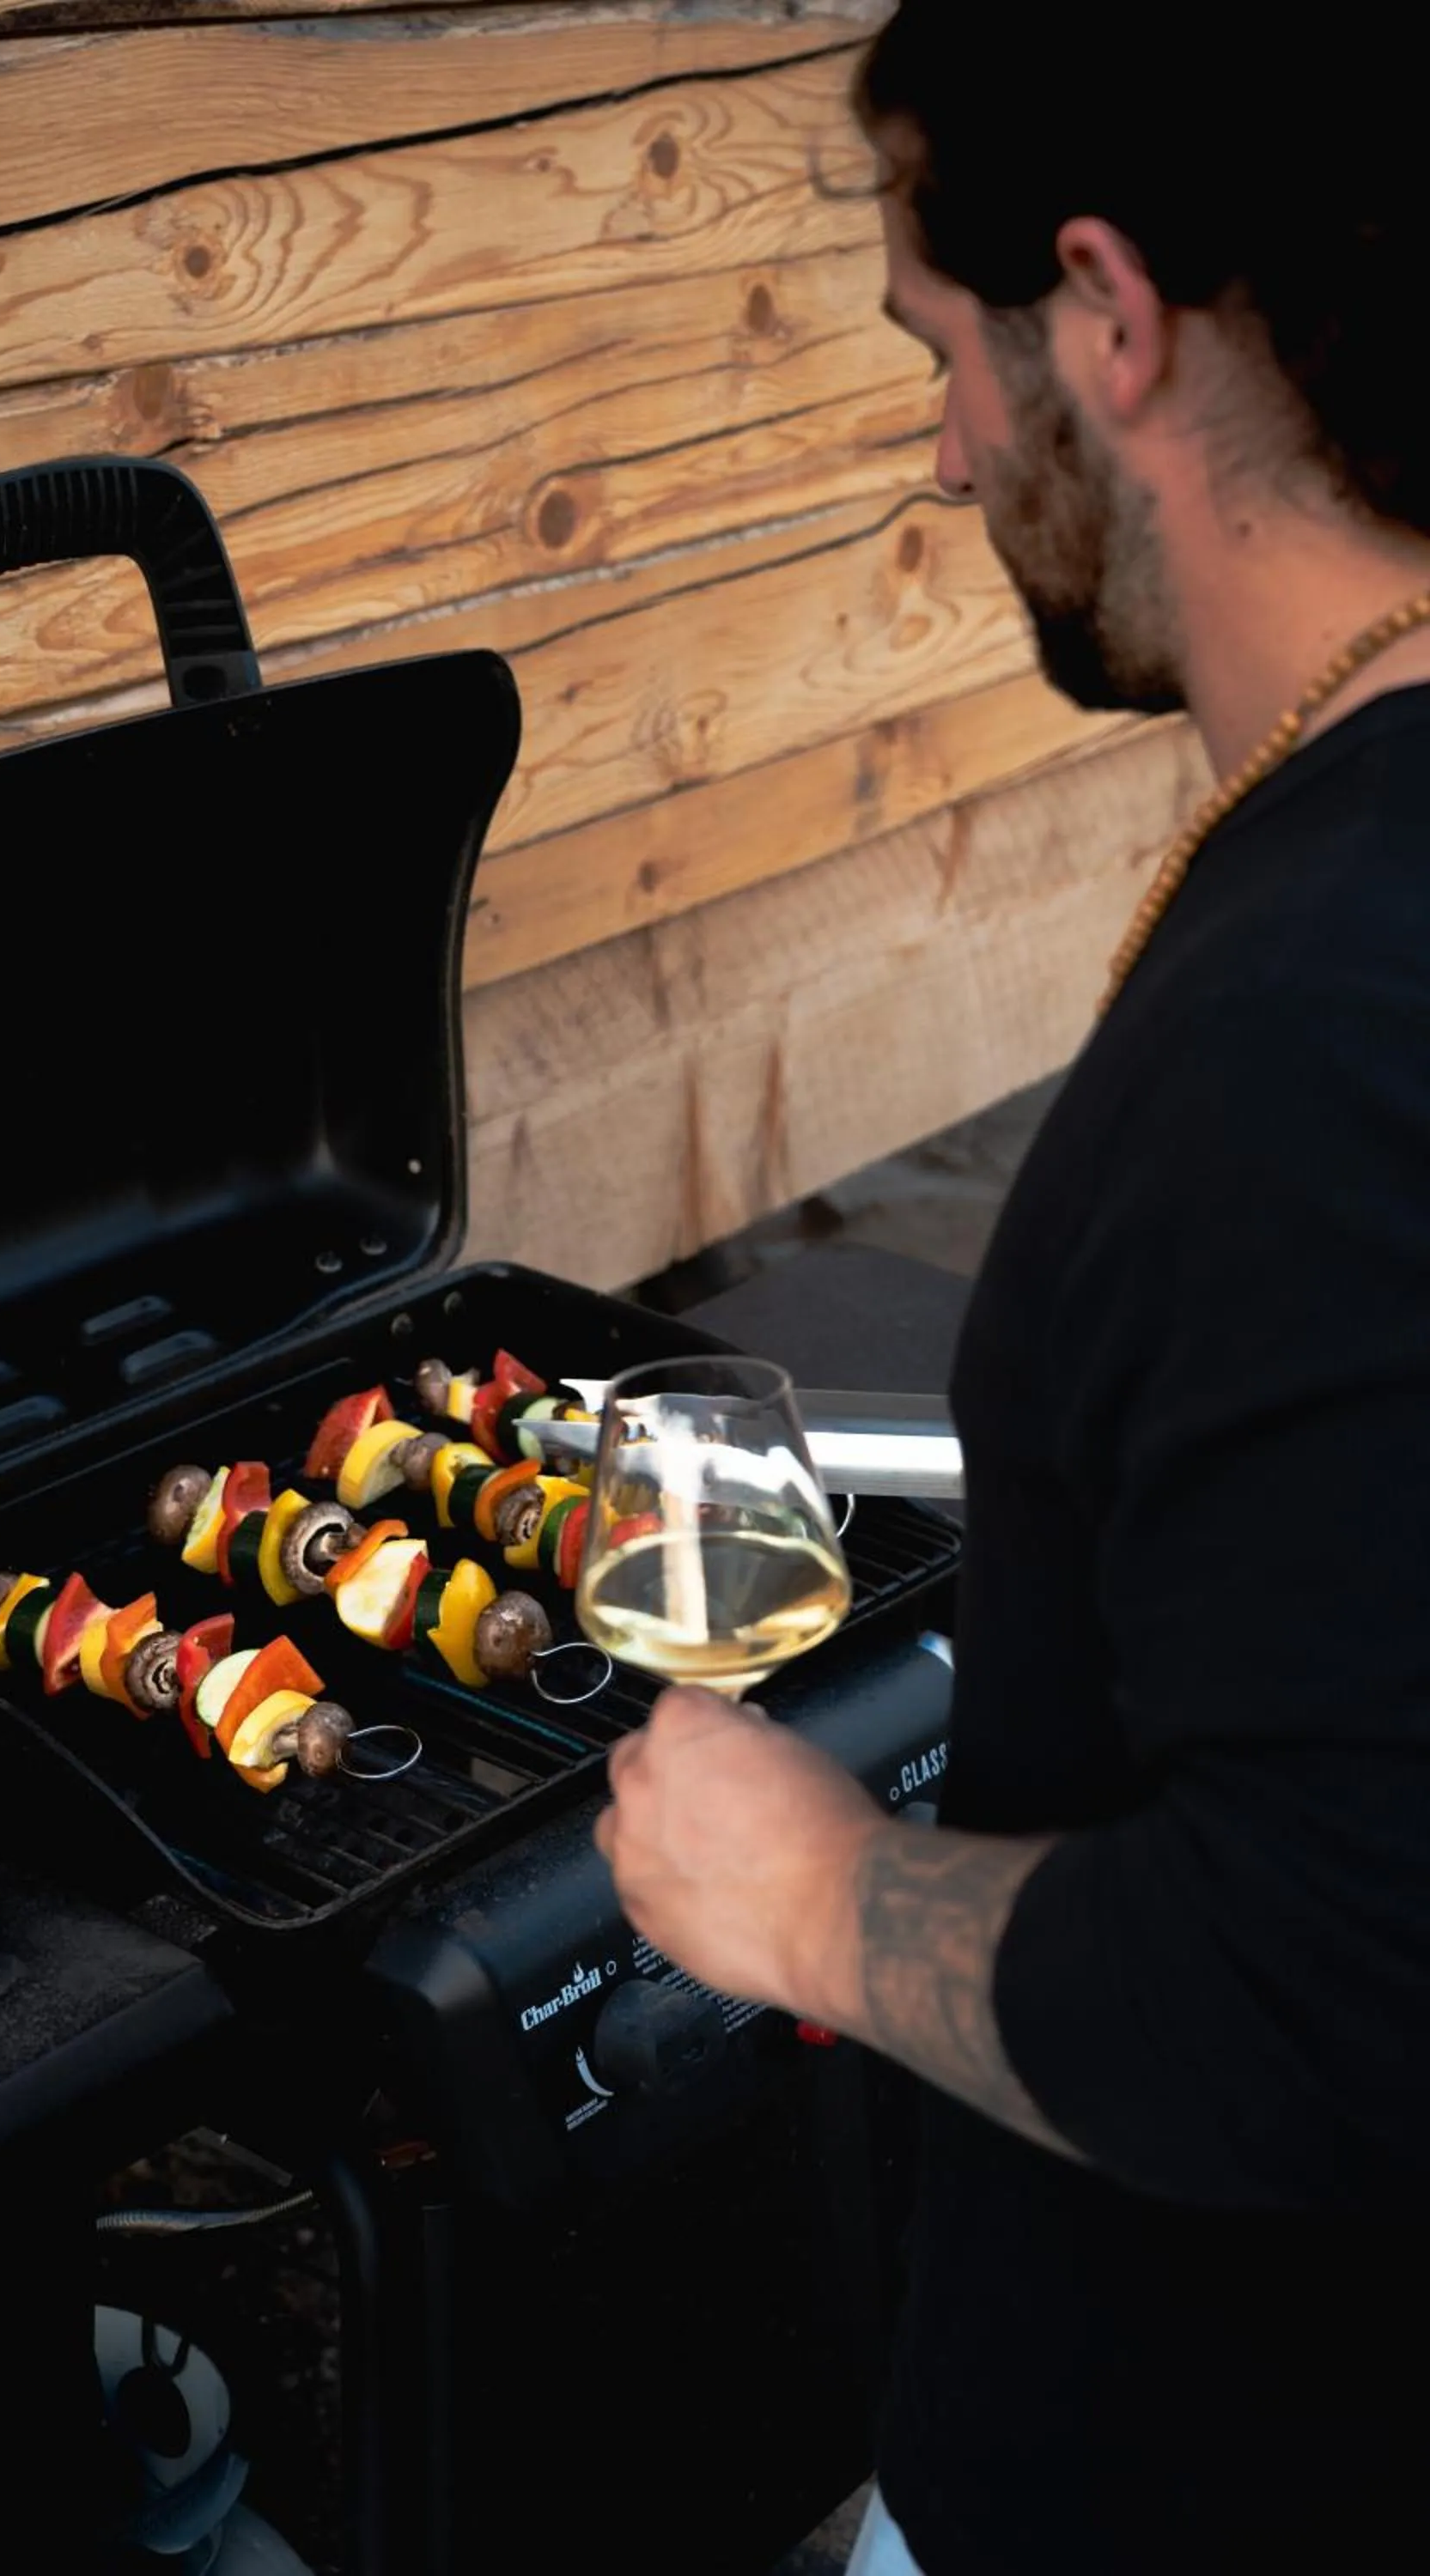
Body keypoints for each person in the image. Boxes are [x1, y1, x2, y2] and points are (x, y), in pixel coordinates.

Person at [593, 8, 1430, 2570]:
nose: (950, 452)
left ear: (1107, 311)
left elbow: (1327, 1994)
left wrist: (811, 1890)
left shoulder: (1322, 1030)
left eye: (941, 355)